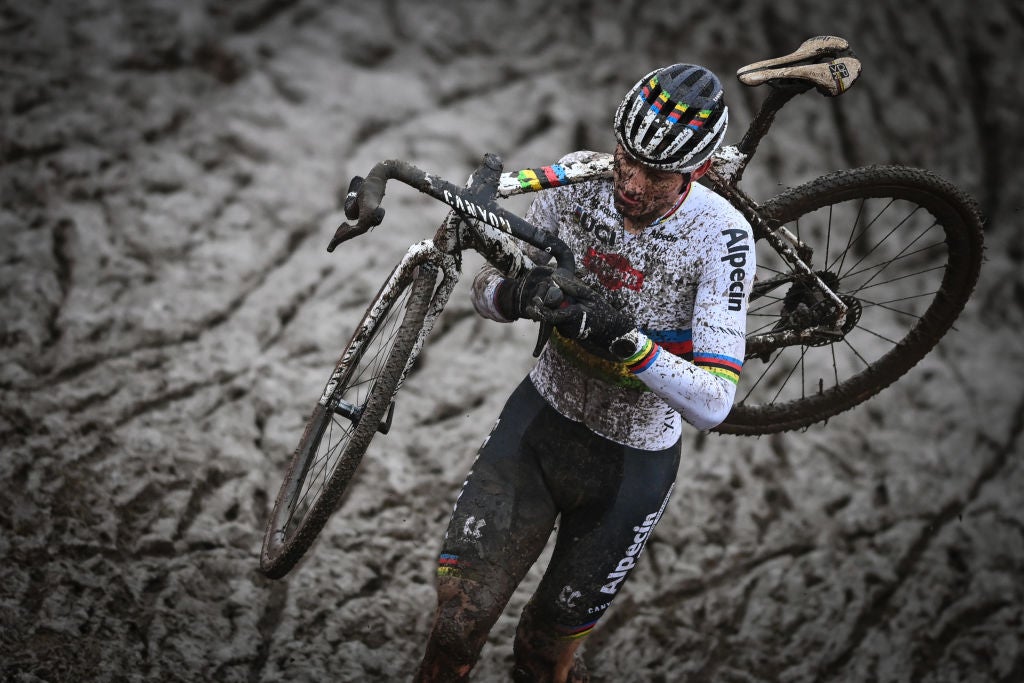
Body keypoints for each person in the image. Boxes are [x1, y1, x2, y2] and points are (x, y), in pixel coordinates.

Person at [414, 63, 754, 683]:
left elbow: (714, 403)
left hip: (631, 468)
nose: (630, 182)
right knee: (456, 626)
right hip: (538, 427)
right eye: (626, 158)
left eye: (655, 175)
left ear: (696, 173)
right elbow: (486, 294)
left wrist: (627, 343)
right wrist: (511, 297)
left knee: (543, 659)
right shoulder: (575, 181)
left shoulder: (722, 236)